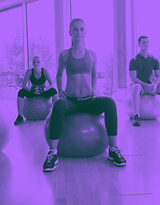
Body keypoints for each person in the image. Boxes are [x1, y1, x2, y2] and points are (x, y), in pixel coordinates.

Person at [43, 18, 126, 172]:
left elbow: (94, 75)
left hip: (89, 100)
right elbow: (59, 74)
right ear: (70, 32)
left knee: (110, 102)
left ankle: (113, 149)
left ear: (86, 32)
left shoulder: (92, 54)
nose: (79, 32)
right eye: (75, 29)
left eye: (82, 29)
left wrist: (94, 89)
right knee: (59, 104)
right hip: (71, 101)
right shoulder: (64, 54)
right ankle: (52, 153)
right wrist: (60, 91)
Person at [14, 56, 58, 125]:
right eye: (34, 62)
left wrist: (44, 89)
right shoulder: (29, 71)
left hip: (43, 92)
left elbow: (52, 84)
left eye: (38, 62)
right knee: (21, 92)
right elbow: (23, 85)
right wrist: (30, 90)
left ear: (41, 63)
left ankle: (56, 115)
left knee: (54, 90)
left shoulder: (45, 71)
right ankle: (20, 116)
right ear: (32, 63)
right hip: (33, 91)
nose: (36, 63)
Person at [129, 36, 160, 126]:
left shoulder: (154, 59)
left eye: (147, 42)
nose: (146, 44)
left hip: (150, 86)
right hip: (138, 86)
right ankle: (136, 116)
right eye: (143, 42)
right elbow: (133, 79)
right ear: (138, 44)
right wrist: (145, 85)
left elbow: (159, 75)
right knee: (137, 87)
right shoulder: (133, 60)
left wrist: (155, 84)